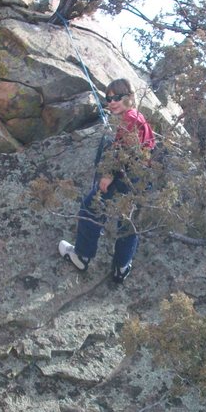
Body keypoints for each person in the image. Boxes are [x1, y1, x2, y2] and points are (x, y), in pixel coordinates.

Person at [59, 78, 156, 283]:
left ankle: (82, 256)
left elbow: (124, 150)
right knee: (128, 224)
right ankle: (121, 268)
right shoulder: (138, 117)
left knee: (90, 207)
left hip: (124, 177)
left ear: (129, 97)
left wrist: (108, 174)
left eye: (117, 98)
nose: (111, 102)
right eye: (108, 98)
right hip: (141, 179)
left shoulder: (130, 117)